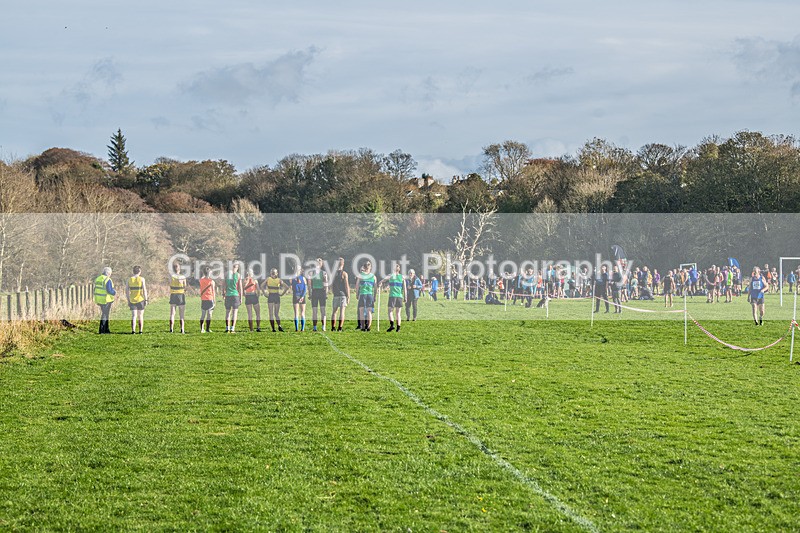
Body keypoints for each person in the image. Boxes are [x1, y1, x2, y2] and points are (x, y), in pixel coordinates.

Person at [381, 264, 406, 332]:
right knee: (398, 313)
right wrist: (405, 297)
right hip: (399, 296)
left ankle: (392, 325)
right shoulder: (402, 277)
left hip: (392, 296)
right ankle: (398, 328)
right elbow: (405, 288)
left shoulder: (391, 275)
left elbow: (383, 280)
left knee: (390, 311)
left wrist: (380, 283)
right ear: (399, 269)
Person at [263, 268, 288, 332]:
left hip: (271, 296)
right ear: (277, 273)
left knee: (271, 314)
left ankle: (273, 328)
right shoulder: (279, 280)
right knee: (276, 314)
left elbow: (261, 285)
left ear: (271, 273)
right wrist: (282, 294)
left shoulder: (268, 279)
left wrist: (264, 293)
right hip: (276, 296)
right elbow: (287, 287)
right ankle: (279, 326)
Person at [329, 257, 350, 332]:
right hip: (343, 294)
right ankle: (340, 327)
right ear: (343, 264)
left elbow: (330, 285)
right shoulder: (344, 274)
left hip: (336, 294)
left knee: (334, 312)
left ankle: (333, 327)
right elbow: (346, 286)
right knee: (342, 311)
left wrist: (333, 292)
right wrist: (348, 296)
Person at [126, 266, 148, 334]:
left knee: (134, 316)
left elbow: (126, 291)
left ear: (133, 271)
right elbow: (144, 290)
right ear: (139, 271)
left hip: (132, 299)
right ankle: (140, 331)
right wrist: (146, 299)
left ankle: (133, 330)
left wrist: (128, 300)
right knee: (140, 316)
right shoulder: (142, 279)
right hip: (140, 299)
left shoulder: (129, 280)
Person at [94, 266, 116, 334]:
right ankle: (102, 330)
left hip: (99, 299)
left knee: (105, 314)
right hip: (106, 299)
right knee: (105, 314)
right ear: (108, 273)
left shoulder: (98, 279)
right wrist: (114, 292)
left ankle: (106, 329)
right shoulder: (107, 280)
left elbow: (95, 289)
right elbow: (109, 290)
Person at [355, 261, 376, 331]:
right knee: (369, 311)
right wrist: (375, 296)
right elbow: (375, 288)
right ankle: (368, 326)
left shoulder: (360, 275)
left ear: (364, 267)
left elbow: (357, 286)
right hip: (370, 295)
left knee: (361, 311)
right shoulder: (373, 276)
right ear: (370, 268)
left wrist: (357, 294)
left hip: (363, 294)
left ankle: (363, 327)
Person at [309, 258, 329, 332]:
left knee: (315, 310)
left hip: (315, 292)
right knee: (322, 310)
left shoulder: (312, 273)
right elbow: (326, 284)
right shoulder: (323, 273)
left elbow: (309, 285)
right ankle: (323, 327)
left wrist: (310, 293)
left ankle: (315, 327)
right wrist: (326, 293)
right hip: (321, 292)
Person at [224, 262, 243, 333]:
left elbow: (224, 285)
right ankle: (232, 328)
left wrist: (223, 293)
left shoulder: (226, 274)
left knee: (228, 312)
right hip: (235, 295)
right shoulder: (238, 275)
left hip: (228, 295)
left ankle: (227, 328)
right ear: (237, 268)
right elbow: (240, 288)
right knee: (235, 312)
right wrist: (241, 298)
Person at [169, 262, 187, 334]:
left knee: (172, 313)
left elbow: (170, 284)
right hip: (180, 295)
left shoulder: (171, 276)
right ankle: (182, 329)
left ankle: (171, 329)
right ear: (179, 268)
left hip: (173, 294)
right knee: (181, 314)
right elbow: (185, 286)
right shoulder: (183, 277)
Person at [199, 266, 216, 333]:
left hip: (203, 299)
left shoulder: (201, 280)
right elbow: (213, 291)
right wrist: (214, 301)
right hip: (210, 299)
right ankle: (207, 328)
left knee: (203, 314)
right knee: (209, 314)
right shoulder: (212, 281)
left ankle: (202, 329)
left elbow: (202, 277)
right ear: (209, 273)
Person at [291, 266, 308, 332]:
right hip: (300, 295)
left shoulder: (292, 278)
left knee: (297, 313)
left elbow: (293, 287)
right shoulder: (303, 278)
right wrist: (302, 296)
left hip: (296, 295)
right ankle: (302, 329)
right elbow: (305, 288)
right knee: (302, 312)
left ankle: (297, 328)